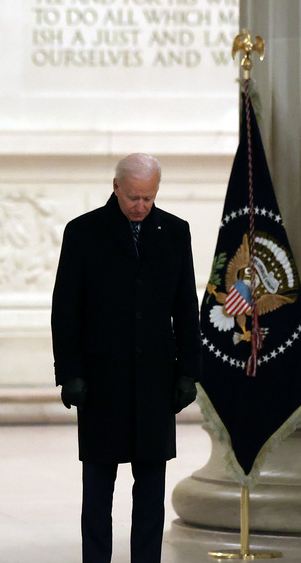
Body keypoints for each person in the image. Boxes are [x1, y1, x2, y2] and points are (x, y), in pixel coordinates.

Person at [51, 153, 201, 563]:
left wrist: (188, 372)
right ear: (115, 187)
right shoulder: (83, 232)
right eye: (134, 197)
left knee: (151, 490)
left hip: (155, 381)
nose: (140, 206)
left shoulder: (174, 232)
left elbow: (186, 307)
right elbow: (66, 309)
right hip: (102, 381)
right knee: (98, 489)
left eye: (149, 198)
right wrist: (70, 373)